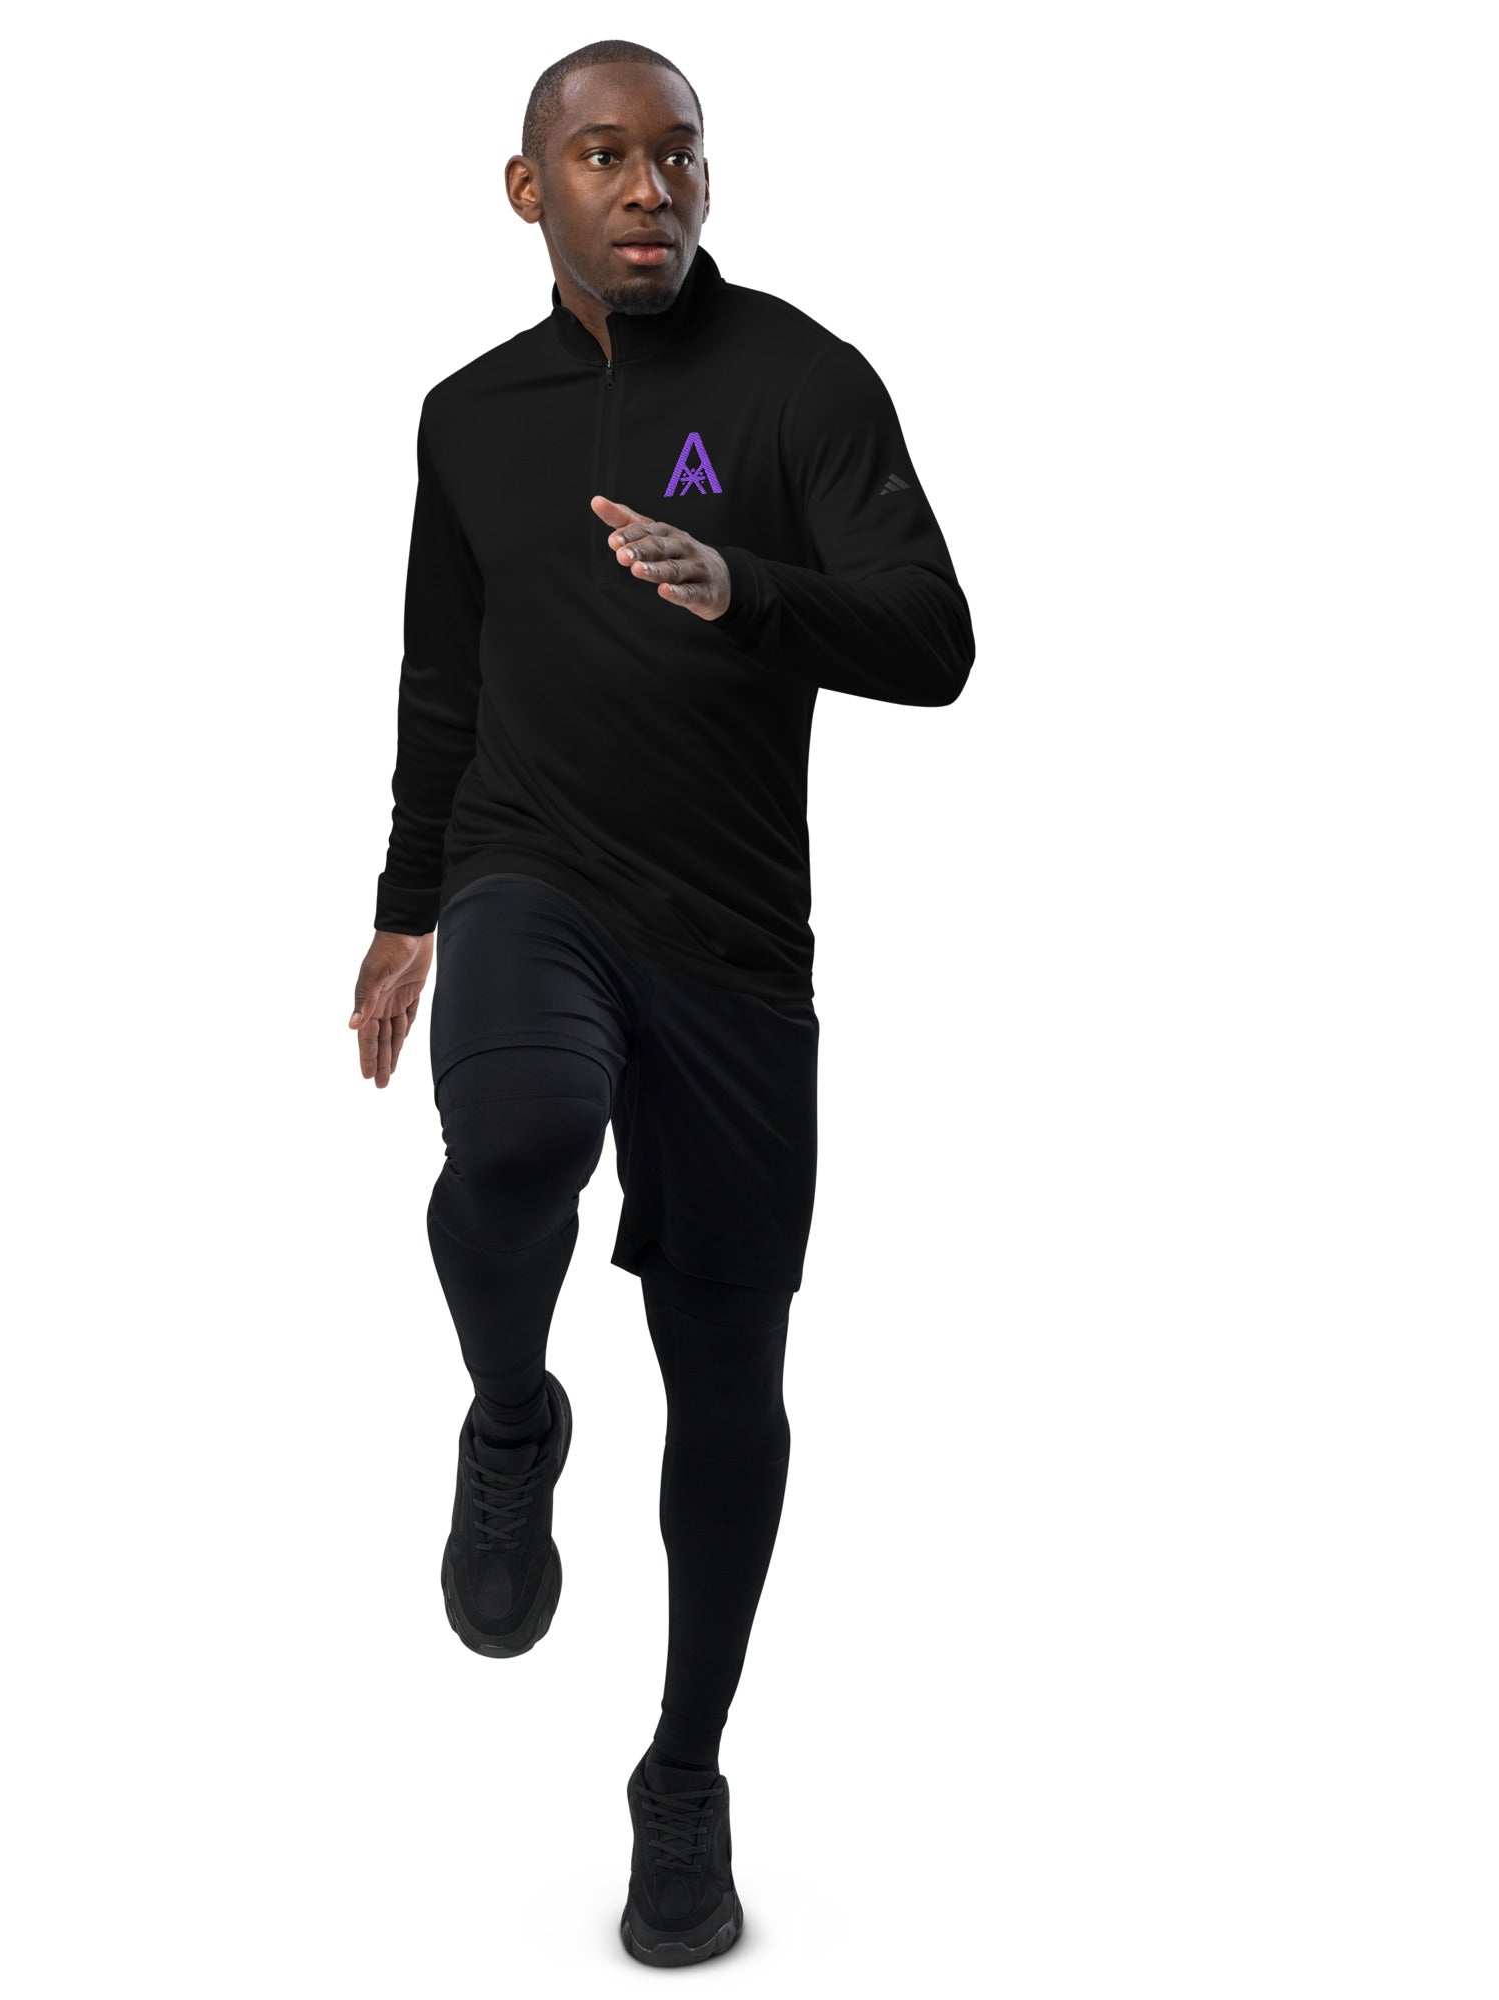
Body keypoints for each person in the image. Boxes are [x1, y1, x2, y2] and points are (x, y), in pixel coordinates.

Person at [347, 39, 974, 1966]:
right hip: (529, 872)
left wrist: (748, 586)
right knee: (515, 1131)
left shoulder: (801, 381)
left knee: (727, 1388)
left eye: (677, 155)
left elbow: (937, 638)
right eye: (605, 157)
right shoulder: (470, 419)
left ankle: (683, 1770)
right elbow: (442, 683)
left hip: (735, 951)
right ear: (529, 188)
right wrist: (407, 906)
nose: (648, 189)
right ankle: (512, 1414)